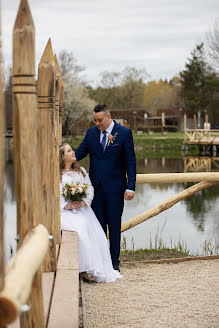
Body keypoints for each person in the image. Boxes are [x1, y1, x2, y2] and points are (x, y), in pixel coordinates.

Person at [75, 104, 136, 272]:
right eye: (94, 120)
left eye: (99, 120)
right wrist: (61, 158)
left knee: (114, 226)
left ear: (108, 117)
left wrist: (131, 187)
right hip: (95, 189)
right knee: (98, 226)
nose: (96, 123)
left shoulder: (123, 133)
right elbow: (79, 153)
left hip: (116, 189)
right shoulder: (91, 133)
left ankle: (114, 262)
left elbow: (130, 162)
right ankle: (101, 261)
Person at [59, 143, 121, 283]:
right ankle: (83, 268)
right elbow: (54, 196)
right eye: (69, 150)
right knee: (80, 229)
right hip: (65, 212)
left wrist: (83, 202)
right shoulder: (58, 176)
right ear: (63, 157)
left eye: (72, 149)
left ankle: (92, 268)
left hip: (82, 209)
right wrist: (66, 205)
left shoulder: (81, 171)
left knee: (95, 232)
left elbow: (90, 189)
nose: (74, 152)